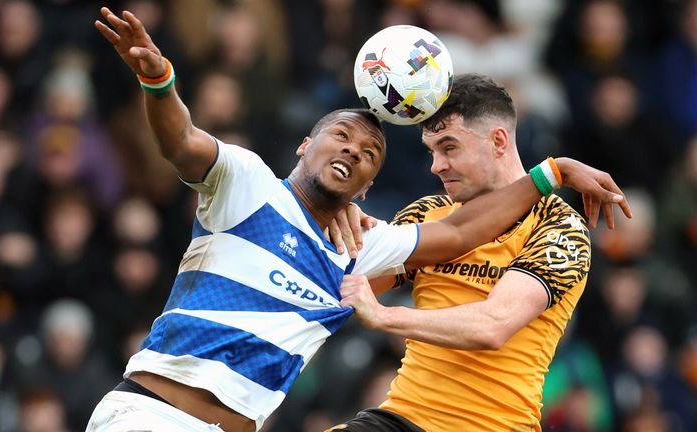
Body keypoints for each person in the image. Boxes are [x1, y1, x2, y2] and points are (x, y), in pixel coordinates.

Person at [89, 8, 630, 432]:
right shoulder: (248, 182)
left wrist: (552, 171)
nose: (435, 165)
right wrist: (160, 84)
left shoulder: (558, 226)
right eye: (341, 138)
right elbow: (182, 142)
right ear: (305, 143)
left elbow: (486, 310)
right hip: (155, 416)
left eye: (370, 154)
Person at [326, 73, 623, 432]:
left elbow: (492, 326)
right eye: (432, 151)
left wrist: (385, 317)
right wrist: (337, 216)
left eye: (449, 148)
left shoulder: (560, 227)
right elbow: (341, 291)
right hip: (400, 417)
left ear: (498, 141)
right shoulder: (427, 214)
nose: (436, 165)